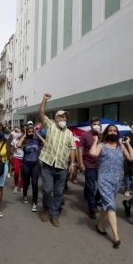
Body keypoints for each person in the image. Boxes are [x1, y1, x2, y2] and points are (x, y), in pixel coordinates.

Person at [90, 124, 133, 248]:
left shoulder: (121, 147)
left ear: (117, 133)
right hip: (104, 180)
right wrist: (96, 141)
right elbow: (93, 154)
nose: (112, 132)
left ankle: (99, 224)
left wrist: (128, 144)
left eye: (114, 131)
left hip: (116, 181)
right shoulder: (102, 145)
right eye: (110, 130)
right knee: (111, 205)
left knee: (106, 204)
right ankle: (116, 237)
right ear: (106, 133)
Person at [38, 93, 77, 227]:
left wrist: (72, 163)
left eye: (65, 116)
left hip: (62, 167)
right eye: (61, 116)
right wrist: (44, 100)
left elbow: (72, 148)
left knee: (59, 193)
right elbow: (42, 114)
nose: (64, 118)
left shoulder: (69, 133)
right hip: (48, 165)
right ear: (56, 118)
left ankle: (54, 215)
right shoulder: (50, 126)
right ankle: (46, 209)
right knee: (48, 190)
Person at [78, 117, 102, 219]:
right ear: (91, 125)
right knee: (92, 188)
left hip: (101, 166)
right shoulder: (85, 135)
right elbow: (80, 149)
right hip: (89, 165)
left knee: (102, 188)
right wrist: (80, 163)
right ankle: (92, 209)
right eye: (95, 124)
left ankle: (95, 200)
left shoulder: (102, 135)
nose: (97, 126)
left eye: (98, 124)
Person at [17, 126, 45, 212]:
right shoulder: (25, 140)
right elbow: (18, 145)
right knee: (26, 182)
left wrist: (37, 134)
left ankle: (34, 203)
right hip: (26, 164)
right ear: (27, 132)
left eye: (32, 132)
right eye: (29, 132)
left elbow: (45, 143)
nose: (31, 133)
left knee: (35, 183)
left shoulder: (37, 140)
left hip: (36, 164)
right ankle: (25, 195)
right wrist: (24, 135)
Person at [11, 127, 24, 193]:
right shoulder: (14, 140)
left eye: (22, 132)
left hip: (24, 159)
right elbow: (12, 149)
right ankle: (16, 186)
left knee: (22, 173)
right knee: (16, 172)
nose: (20, 133)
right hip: (16, 158)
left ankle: (21, 187)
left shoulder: (26, 139)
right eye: (20, 132)